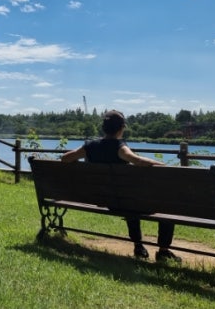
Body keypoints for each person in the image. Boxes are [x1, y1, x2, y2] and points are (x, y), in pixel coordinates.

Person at [61, 109, 181, 262]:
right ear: (121, 128)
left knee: (129, 201)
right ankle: (163, 251)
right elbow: (138, 161)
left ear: (104, 128)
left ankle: (139, 246)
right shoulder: (119, 147)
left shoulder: (89, 146)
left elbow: (65, 158)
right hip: (123, 201)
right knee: (165, 204)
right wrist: (165, 166)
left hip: (105, 200)